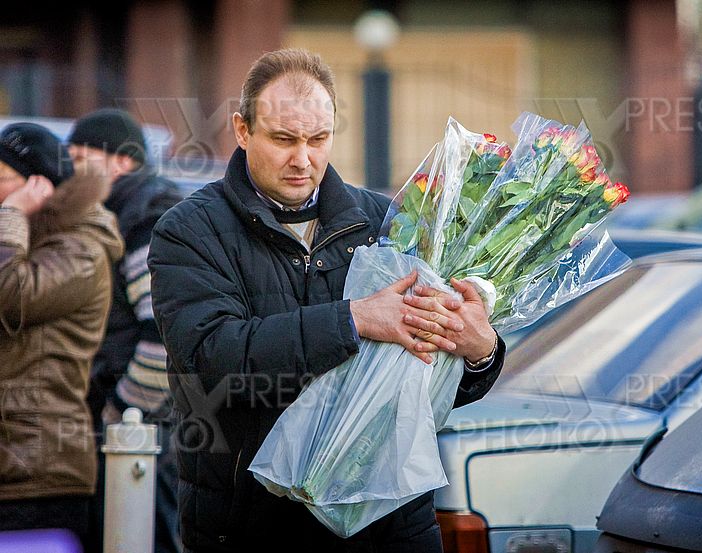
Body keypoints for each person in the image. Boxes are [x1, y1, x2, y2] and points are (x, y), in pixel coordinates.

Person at [147, 48, 505, 553]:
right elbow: (211, 359)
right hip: (254, 525)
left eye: (318, 139)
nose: (303, 158)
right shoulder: (189, 231)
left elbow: (430, 390)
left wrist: (479, 351)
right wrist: (353, 320)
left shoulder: (389, 222)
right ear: (243, 130)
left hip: (389, 525)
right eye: (283, 139)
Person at [0, 123, 124, 544]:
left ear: (41, 187)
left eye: (3, 181)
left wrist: (12, 214)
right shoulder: (23, 243)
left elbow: (10, 296)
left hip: (40, 467)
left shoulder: (81, 250)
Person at [67, 108, 183, 553]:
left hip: (144, 431)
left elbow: (162, 340)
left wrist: (120, 415)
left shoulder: (142, 218)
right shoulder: (122, 211)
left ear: (122, 161)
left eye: (81, 159)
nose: (70, 173)